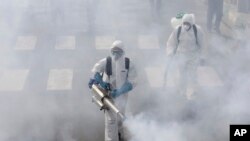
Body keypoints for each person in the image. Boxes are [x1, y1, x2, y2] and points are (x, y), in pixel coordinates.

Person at [88, 40, 137, 141]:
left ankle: (121, 136)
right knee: (111, 122)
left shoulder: (128, 64)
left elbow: (133, 81)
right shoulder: (107, 61)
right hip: (108, 97)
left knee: (121, 118)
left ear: (123, 52)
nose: (116, 54)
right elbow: (95, 71)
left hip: (123, 97)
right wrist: (101, 82)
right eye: (113, 51)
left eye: (118, 51)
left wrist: (121, 91)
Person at [166, 14, 204, 99]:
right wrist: (170, 53)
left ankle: (195, 92)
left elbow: (201, 45)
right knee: (182, 75)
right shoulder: (178, 30)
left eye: (188, 23)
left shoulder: (197, 30)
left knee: (193, 74)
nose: (186, 25)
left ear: (192, 24)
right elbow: (171, 43)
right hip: (181, 56)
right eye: (185, 23)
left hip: (193, 57)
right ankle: (182, 92)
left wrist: (200, 56)